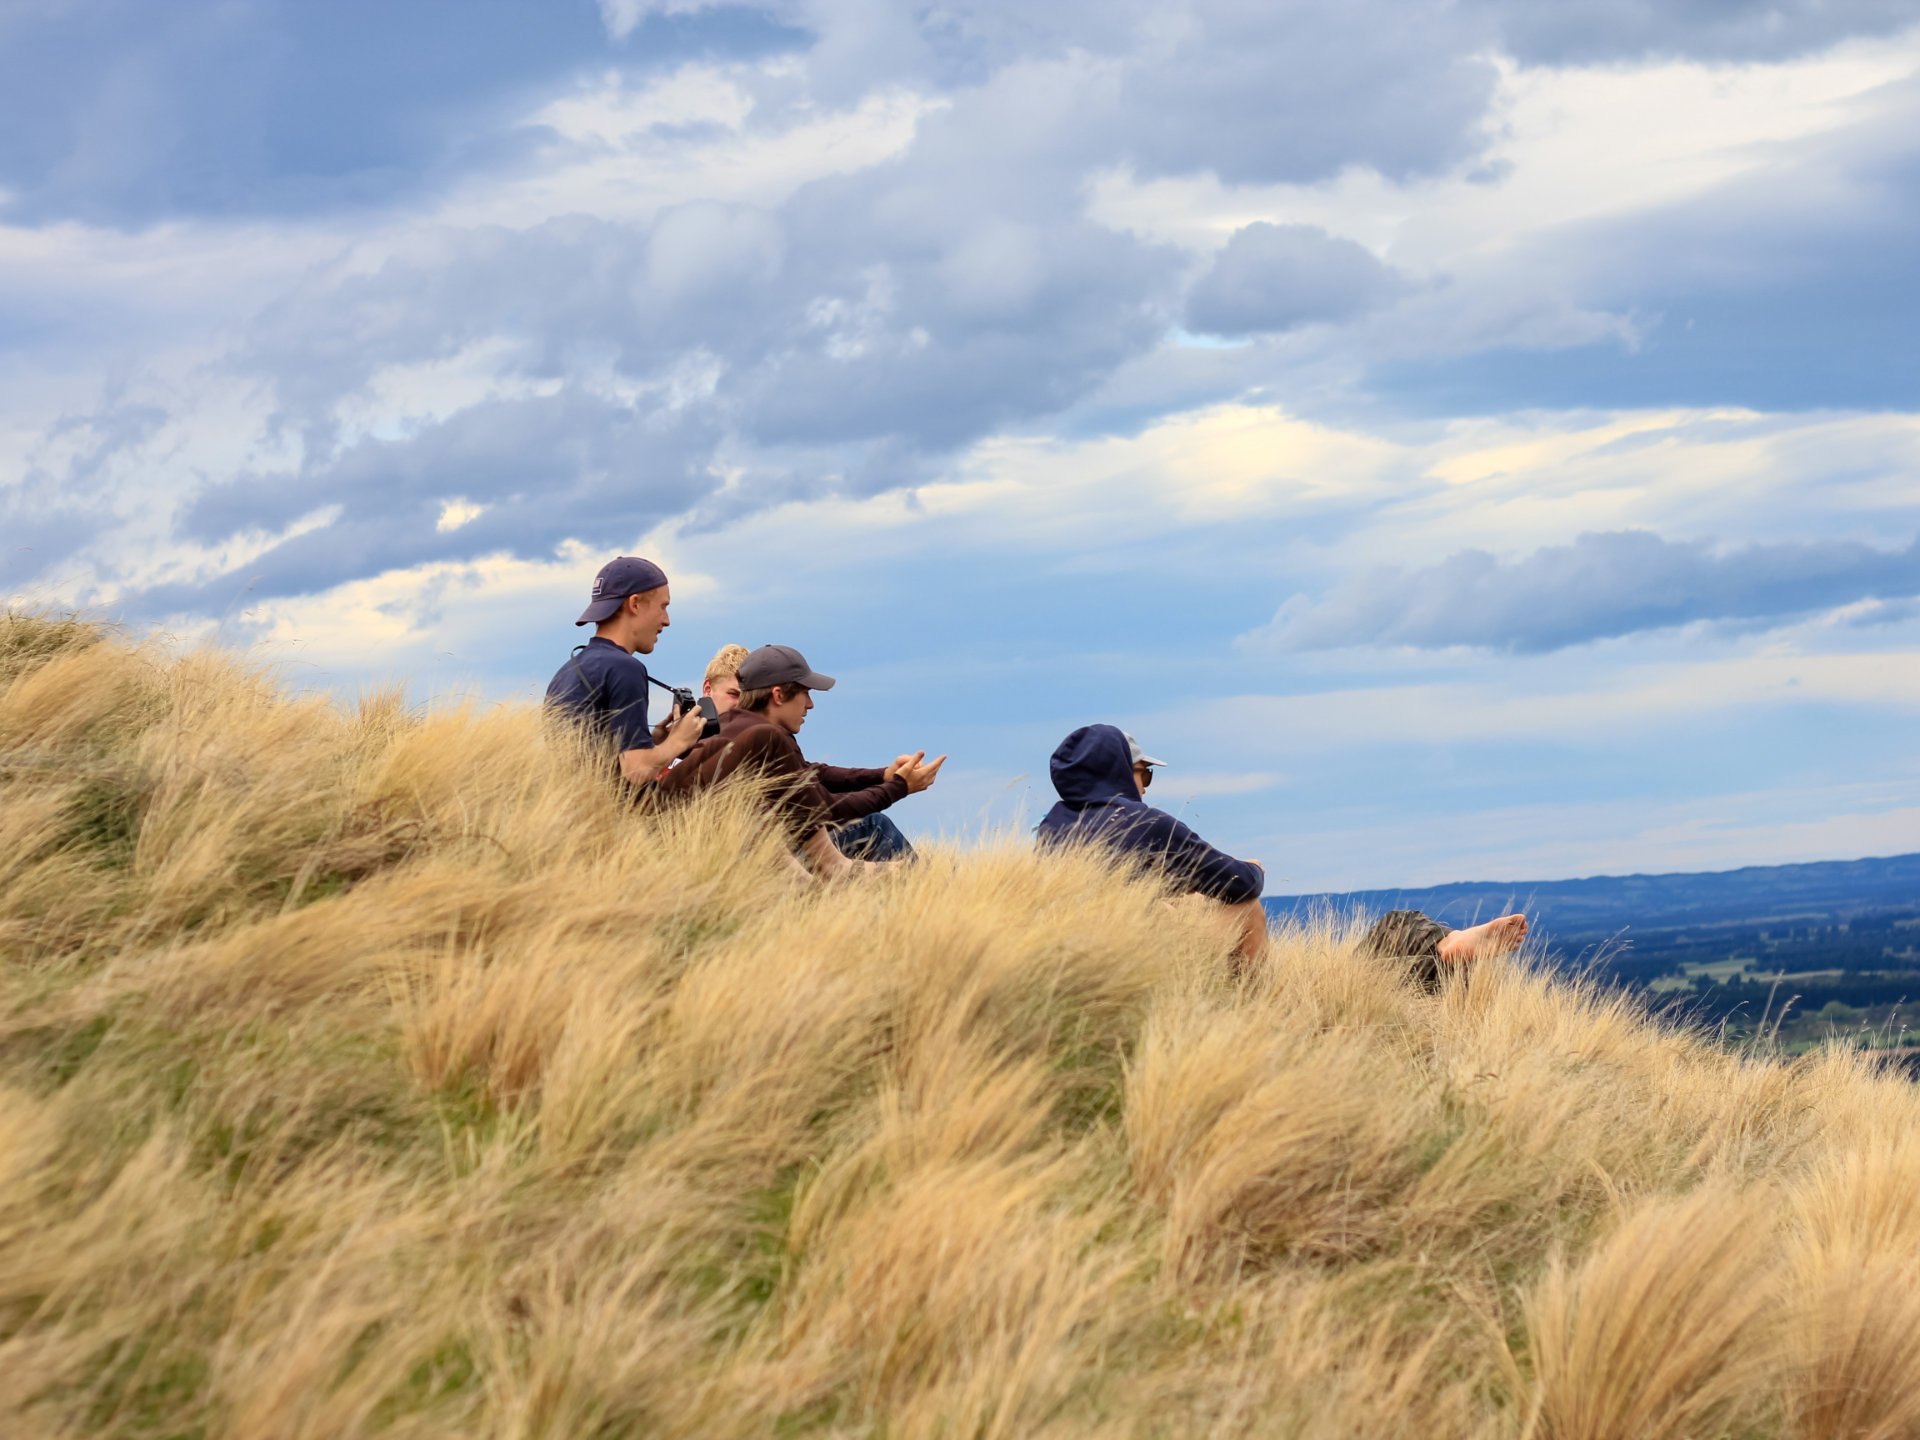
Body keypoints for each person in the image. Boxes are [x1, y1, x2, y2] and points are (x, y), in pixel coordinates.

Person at [1036, 723, 1527, 978]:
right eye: (1144, 772)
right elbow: (1239, 882)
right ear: (1123, 771)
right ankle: (1440, 950)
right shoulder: (1146, 823)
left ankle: (1446, 947)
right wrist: (1251, 868)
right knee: (1247, 904)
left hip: (1083, 961)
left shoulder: (1051, 828)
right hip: (1154, 962)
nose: (1147, 783)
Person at [656, 644, 942, 878]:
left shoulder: (734, 724)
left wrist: (883, 776)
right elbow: (826, 811)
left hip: (722, 858)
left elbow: (812, 774)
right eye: (805, 693)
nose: (810, 704)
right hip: (760, 866)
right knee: (874, 826)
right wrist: (899, 787)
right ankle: (935, 902)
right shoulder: (765, 738)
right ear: (778, 695)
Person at [544, 556, 707, 793]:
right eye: (663, 606)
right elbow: (637, 771)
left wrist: (654, 743)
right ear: (635, 604)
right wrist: (679, 740)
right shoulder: (625, 667)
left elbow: (594, 760)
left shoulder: (567, 670)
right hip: (609, 817)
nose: (667, 621)